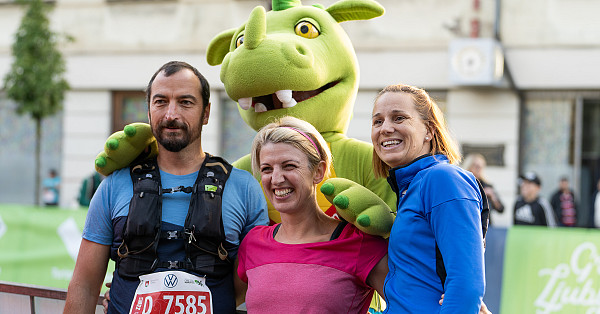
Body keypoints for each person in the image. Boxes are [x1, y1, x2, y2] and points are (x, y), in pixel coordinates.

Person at [64, 61, 268, 314]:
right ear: (148, 110)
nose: (171, 114)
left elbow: (255, 280)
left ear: (206, 112)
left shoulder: (244, 188)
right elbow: (84, 284)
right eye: (160, 101)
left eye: (185, 102)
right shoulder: (114, 187)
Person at [237, 116, 389, 313]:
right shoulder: (253, 243)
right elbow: (221, 300)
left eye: (289, 166)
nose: (276, 178)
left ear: (318, 171)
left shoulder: (359, 243)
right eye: (266, 169)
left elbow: (412, 303)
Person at [370, 84, 485, 313]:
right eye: (377, 121)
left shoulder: (443, 178)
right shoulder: (410, 188)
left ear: (429, 131)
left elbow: (467, 286)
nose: (385, 128)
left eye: (399, 118)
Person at [462, 153, 505, 226]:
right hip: (469, 223)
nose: (479, 169)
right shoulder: (463, 184)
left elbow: (501, 209)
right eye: (476, 166)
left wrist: (493, 197)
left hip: (485, 224)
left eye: (481, 167)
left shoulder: (487, 185)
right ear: (469, 167)